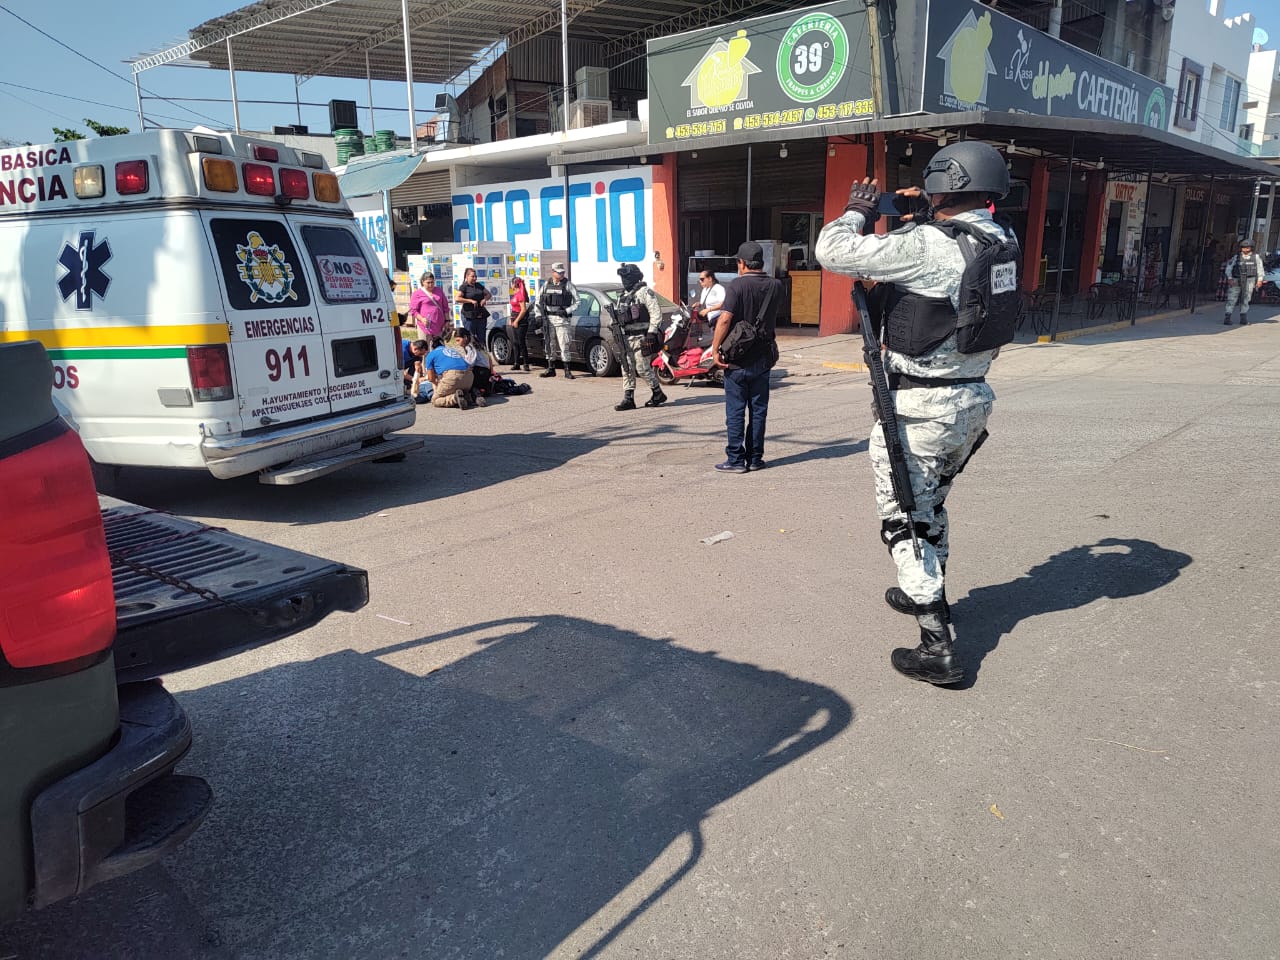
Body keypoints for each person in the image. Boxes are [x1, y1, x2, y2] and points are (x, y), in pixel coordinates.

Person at [815, 140, 1018, 687]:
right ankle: (926, 589)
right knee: (929, 503)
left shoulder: (927, 245)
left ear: (943, 186)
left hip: (919, 408)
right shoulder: (1000, 238)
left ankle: (937, 645)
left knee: (902, 517)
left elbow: (832, 250)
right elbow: (943, 264)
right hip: (971, 400)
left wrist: (858, 210)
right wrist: (924, 215)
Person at [706, 241, 781, 472]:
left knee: (736, 411)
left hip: (737, 360)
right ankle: (756, 458)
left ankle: (736, 460)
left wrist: (715, 349)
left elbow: (725, 319)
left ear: (742, 263)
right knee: (758, 410)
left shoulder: (737, 286)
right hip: (763, 358)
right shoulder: (776, 285)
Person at [612, 263, 668, 411]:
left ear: (635, 277)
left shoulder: (644, 292)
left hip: (642, 337)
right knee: (627, 367)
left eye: (627, 277)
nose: (624, 281)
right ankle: (628, 398)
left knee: (642, 368)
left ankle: (657, 392)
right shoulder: (623, 296)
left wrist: (651, 333)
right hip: (626, 338)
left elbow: (656, 313)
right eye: (623, 278)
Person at [537, 262, 578, 379]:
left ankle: (567, 371)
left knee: (564, 344)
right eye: (559, 272)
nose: (561, 274)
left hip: (562, 319)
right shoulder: (546, 285)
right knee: (550, 344)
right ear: (553, 272)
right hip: (548, 319)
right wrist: (538, 316)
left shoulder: (568, 285)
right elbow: (538, 301)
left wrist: (567, 311)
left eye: (563, 272)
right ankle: (551, 368)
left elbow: (578, 302)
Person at [422, 329, 475, 409]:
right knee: (453, 387)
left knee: (435, 400)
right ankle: (471, 396)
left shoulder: (431, 354)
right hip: (469, 378)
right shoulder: (453, 350)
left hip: (453, 377)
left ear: (432, 347)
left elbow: (431, 378)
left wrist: (437, 386)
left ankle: (454, 398)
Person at [1222, 240, 1264, 325]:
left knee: (1246, 298)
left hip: (1249, 280)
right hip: (1236, 279)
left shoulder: (1256, 257)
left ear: (1251, 248)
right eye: (1243, 247)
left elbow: (1260, 269)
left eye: (1247, 247)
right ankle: (1227, 317)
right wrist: (1230, 278)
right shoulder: (1236, 257)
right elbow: (1229, 268)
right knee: (1232, 298)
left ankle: (1243, 317)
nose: (1245, 249)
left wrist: (1260, 280)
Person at [409, 272, 450, 346]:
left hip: (439, 326)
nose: (430, 285)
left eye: (432, 282)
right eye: (428, 283)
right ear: (423, 282)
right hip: (425, 326)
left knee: (439, 348)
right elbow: (413, 311)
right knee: (425, 348)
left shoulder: (439, 291)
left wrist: (447, 321)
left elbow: (445, 307)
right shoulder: (417, 294)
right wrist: (422, 319)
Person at [454, 267, 491, 344]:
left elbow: (488, 294)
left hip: (480, 315)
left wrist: (485, 299)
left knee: (481, 338)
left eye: (475, 276)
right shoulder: (464, 287)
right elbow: (457, 298)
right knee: (470, 338)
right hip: (469, 316)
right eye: (472, 276)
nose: (475, 278)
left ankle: (482, 351)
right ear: (467, 276)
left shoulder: (478, 285)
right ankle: (471, 350)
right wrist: (470, 301)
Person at [508, 276, 532, 371]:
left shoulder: (520, 295)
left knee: (521, 342)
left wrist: (517, 321)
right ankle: (516, 363)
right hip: (514, 318)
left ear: (514, 284)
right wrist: (511, 319)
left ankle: (526, 363)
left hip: (521, 320)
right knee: (515, 342)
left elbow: (523, 310)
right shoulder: (515, 294)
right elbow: (513, 308)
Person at [402, 338, 431, 402]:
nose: (421, 356)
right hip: (393, 365)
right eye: (420, 354)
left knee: (417, 360)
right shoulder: (402, 351)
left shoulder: (415, 352)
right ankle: (405, 385)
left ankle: (409, 386)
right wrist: (414, 379)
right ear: (415, 349)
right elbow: (400, 372)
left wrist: (419, 375)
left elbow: (418, 367)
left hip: (407, 361)